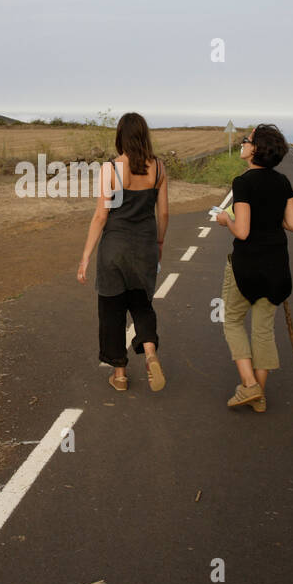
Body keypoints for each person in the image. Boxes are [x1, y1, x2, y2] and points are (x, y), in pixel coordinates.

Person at [77, 112, 169, 391]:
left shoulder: (111, 169)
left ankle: (119, 375)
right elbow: (163, 212)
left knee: (112, 310)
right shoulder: (160, 169)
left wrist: (86, 256)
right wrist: (159, 243)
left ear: (121, 136)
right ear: (144, 135)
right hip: (144, 247)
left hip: (114, 248)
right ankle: (150, 352)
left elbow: (100, 217)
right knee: (142, 305)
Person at [214, 124, 293, 413]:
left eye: (247, 140)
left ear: (256, 149)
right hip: (277, 266)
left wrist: (225, 220)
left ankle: (249, 385)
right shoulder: (283, 182)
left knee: (233, 321)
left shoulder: (244, 182)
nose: (243, 143)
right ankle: (259, 397)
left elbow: (242, 230)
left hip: (247, 266)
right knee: (263, 331)